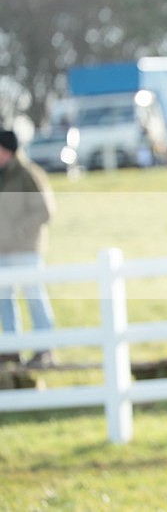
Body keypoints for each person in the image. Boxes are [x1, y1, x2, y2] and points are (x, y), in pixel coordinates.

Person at [0, 129, 56, 368]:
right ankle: (12, 349)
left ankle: (45, 349)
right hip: (3, 250)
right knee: (4, 300)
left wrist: (15, 233)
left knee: (35, 297)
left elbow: (45, 211)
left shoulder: (28, 174)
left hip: (25, 249)